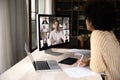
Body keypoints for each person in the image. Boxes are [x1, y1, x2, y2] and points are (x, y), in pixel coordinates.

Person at [77, 1, 120, 80]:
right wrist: (88, 61)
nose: (85, 21)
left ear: (93, 20)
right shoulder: (110, 33)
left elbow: (97, 68)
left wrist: (91, 62)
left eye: (87, 17)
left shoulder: (96, 34)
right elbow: (105, 58)